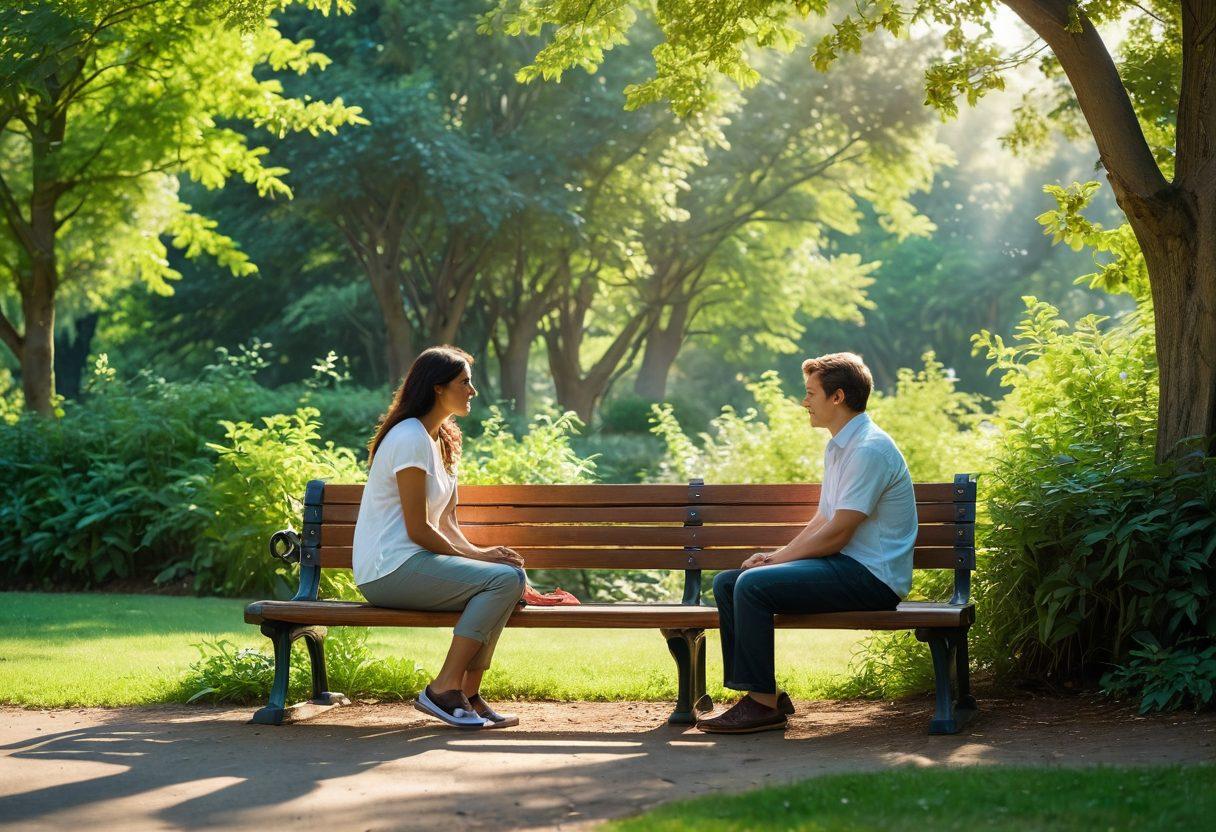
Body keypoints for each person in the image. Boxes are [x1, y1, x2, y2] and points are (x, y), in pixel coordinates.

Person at [696, 352, 916, 734]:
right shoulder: (840, 446)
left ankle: (762, 707)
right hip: (847, 567)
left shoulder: (868, 449)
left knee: (751, 584)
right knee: (728, 582)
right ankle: (763, 692)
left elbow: (838, 533)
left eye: (811, 393)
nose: (804, 401)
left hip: (872, 578)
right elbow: (823, 519)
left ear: (838, 397)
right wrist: (774, 557)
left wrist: (777, 560)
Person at [353, 346, 525, 729]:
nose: (472, 391)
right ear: (437, 388)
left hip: (414, 563)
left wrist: (483, 553)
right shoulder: (409, 438)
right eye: (465, 382)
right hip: (388, 569)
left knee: (510, 576)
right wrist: (481, 562)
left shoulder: (440, 440)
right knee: (501, 580)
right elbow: (418, 529)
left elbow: (445, 523)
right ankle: (442, 688)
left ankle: (468, 692)